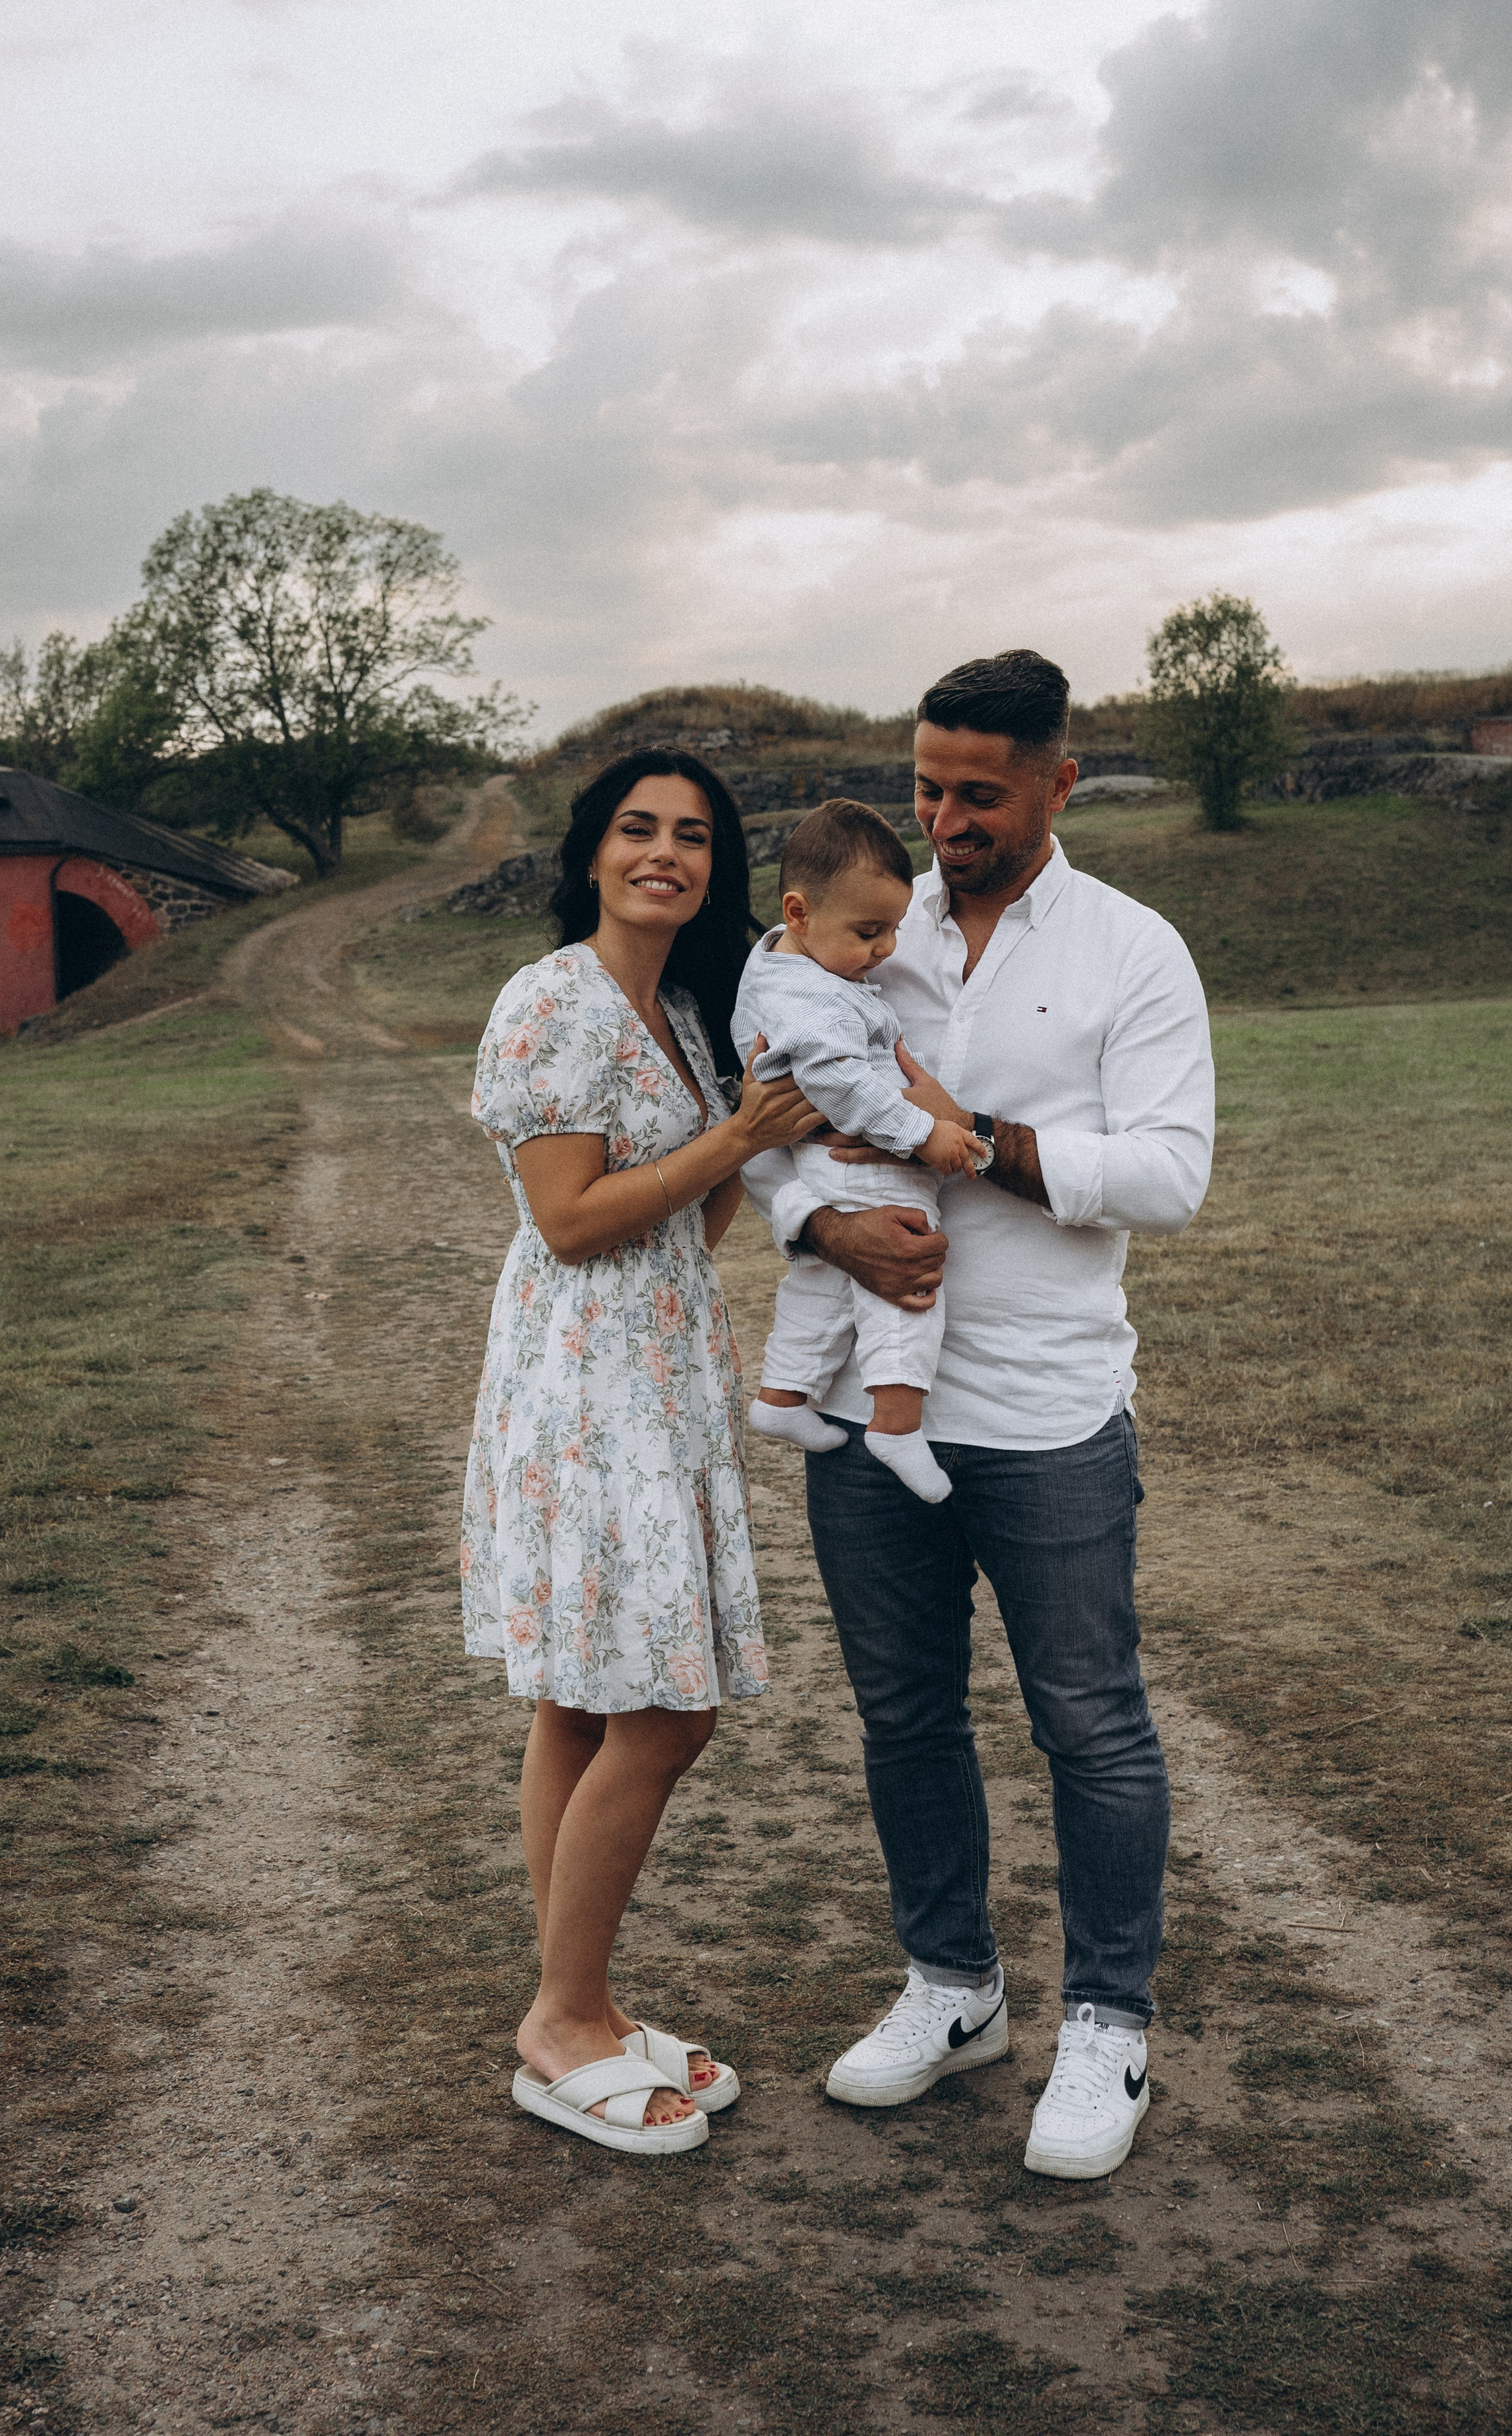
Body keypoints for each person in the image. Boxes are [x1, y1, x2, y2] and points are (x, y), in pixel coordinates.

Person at [743, 649, 1215, 2180]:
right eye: (927, 787)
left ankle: (1105, 2020)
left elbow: (1167, 1174)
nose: (945, 819)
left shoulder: (1132, 949)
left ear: (1056, 782)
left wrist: (974, 1144)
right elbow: (770, 1131)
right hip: (863, 1405)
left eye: (978, 794)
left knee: (1087, 1716)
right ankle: (953, 1987)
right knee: (902, 1713)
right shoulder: (851, 929)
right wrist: (822, 1225)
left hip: (1045, 1408)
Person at [460, 748, 822, 2157]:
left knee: (583, 1700)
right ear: (593, 854)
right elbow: (569, 1219)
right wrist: (733, 1137)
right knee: (666, 1711)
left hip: (659, 1369)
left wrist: (743, 1132)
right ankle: (560, 2025)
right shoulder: (551, 998)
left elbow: (688, 1221)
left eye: (693, 835)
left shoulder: (679, 1009)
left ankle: (585, 2004)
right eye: (637, 828)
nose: (665, 852)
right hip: (584, 1385)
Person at [732, 798, 990, 1504]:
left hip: (822, 1162)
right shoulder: (808, 998)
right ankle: (896, 1425)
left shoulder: (790, 968)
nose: (886, 950)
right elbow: (842, 1083)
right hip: (865, 1157)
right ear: (798, 912)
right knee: (905, 1276)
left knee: (824, 1278)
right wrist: (925, 1132)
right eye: (869, 932)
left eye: (894, 929)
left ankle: (784, 1395)